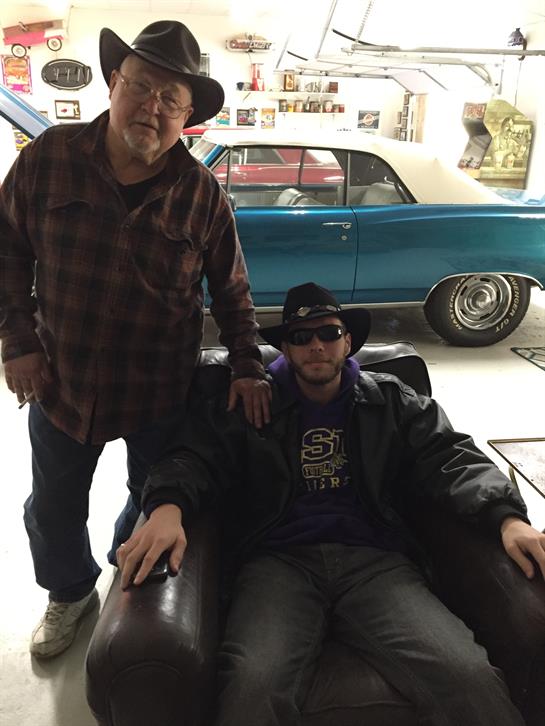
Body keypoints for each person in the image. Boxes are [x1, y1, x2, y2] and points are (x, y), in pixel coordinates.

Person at [118, 282, 545, 726]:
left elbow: (450, 456)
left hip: (376, 563)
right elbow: (192, 456)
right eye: (301, 337)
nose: (316, 346)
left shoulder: (389, 400)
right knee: (253, 685)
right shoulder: (251, 404)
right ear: (286, 348)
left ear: (348, 340)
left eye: (329, 333)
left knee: (468, 675)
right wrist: (168, 506)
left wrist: (506, 518)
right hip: (278, 563)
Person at [0, 20, 271, 658]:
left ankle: (125, 568)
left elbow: (232, 291)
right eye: (142, 87)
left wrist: (248, 367)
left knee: (152, 498)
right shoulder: (48, 157)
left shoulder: (203, 196)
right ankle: (70, 593)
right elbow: (6, 250)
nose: (153, 107)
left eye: (171, 99)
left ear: (187, 117)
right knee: (52, 506)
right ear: (114, 83)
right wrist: (17, 340)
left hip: (158, 391)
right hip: (61, 381)